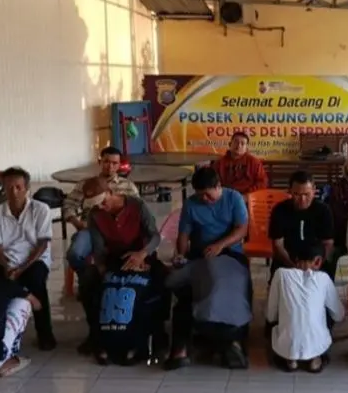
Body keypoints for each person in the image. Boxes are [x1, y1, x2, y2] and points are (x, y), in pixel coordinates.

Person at [76, 177, 170, 360]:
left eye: (103, 202)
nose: (101, 207)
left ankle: (158, 336)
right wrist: (103, 270)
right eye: (96, 205)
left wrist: (142, 254)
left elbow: (155, 236)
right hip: (115, 259)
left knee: (162, 279)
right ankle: (96, 334)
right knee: (89, 281)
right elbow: (99, 248)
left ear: (111, 192)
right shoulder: (95, 215)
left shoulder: (137, 206)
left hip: (143, 255)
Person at [167, 167, 250, 370]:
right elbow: (184, 234)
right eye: (200, 195)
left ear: (219, 186)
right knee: (186, 292)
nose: (204, 199)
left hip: (230, 253)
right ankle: (180, 349)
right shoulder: (191, 204)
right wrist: (181, 254)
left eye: (208, 194)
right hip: (200, 254)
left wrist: (220, 245)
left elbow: (242, 229)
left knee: (231, 287)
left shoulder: (234, 198)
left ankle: (233, 341)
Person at [0, 167, 57, 351]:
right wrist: (7, 267)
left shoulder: (40, 209)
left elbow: (42, 244)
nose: (14, 192)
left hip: (35, 260)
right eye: (9, 187)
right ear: (3, 188)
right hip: (7, 262)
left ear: (27, 188)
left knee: (36, 281)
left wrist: (21, 269)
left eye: (18, 187)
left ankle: (45, 335)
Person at [266, 242, 344, 373]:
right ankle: (315, 358)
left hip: (287, 344)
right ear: (318, 261)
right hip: (317, 343)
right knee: (326, 312)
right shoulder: (324, 278)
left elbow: (270, 315)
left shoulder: (280, 274)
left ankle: (291, 358)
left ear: (295, 259)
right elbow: (339, 315)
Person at [165, 255, 252, 370]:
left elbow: (169, 281)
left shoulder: (201, 263)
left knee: (183, 305)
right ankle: (233, 344)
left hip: (207, 324)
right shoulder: (242, 269)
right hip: (239, 328)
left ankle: (180, 353)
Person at [63, 146, 139, 278]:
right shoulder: (86, 184)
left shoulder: (128, 186)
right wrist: (77, 223)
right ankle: (88, 277)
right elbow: (68, 205)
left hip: (119, 231)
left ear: (119, 165)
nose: (110, 166)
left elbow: (137, 210)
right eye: (106, 162)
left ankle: (110, 280)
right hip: (90, 230)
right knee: (74, 254)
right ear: (100, 162)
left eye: (114, 163)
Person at [269, 171, 335, 280]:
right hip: (287, 260)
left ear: (314, 191)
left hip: (315, 260)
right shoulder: (280, 210)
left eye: (306, 194)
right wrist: (294, 266)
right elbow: (278, 245)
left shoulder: (323, 210)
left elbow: (328, 243)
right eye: (297, 194)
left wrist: (318, 262)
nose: (302, 199)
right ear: (290, 191)